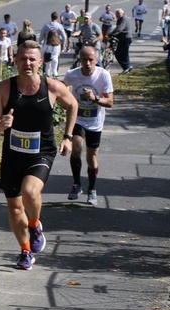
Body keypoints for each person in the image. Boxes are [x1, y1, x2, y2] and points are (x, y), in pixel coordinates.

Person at [0, 40, 78, 270]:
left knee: (30, 191)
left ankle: (35, 225)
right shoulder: (4, 89)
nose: (27, 63)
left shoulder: (53, 87)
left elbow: (73, 105)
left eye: (31, 59)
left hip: (42, 153)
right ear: (15, 60)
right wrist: (2, 124)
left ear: (40, 62)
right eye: (23, 58)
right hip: (13, 155)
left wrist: (67, 137)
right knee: (15, 208)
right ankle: (26, 251)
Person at [63, 46, 114, 206]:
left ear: (96, 61)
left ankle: (92, 189)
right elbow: (62, 90)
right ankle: (76, 184)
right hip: (77, 119)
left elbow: (110, 102)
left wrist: (95, 98)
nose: (87, 63)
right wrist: (68, 100)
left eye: (91, 59)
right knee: (76, 147)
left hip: (95, 121)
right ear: (80, 60)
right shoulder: (72, 75)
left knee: (91, 157)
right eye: (84, 59)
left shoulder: (103, 75)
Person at [108, 8, 134, 73]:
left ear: (123, 13)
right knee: (121, 53)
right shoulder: (121, 19)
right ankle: (127, 67)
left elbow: (119, 29)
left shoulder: (123, 19)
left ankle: (127, 67)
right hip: (123, 38)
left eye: (119, 13)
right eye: (116, 14)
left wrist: (111, 34)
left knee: (122, 53)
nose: (117, 15)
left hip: (126, 38)